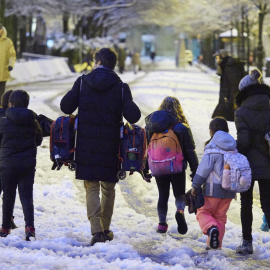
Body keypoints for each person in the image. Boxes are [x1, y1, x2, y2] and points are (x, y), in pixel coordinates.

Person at [60, 48, 141, 246]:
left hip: (86, 145)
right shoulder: (121, 87)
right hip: (111, 146)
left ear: (97, 62)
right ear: (113, 64)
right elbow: (134, 116)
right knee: (109, 188)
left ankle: (96, 231)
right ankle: (105, 228)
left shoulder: (82, 82)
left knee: (91, 187)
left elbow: (65, 107)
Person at [144, 96, 198, 234]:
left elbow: (146, 149)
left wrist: (144, 169)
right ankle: (180, 210)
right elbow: (190, 151)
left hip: (158, 167)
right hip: (177, 167)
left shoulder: (151, 127)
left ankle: (162, 224)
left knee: (163, 195)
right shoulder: (181, 127)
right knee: (179, 194)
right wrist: (195, 171)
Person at [234, 68, 270, 255]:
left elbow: (244, 142)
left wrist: (236, 151)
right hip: (268, 161)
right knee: (268, 203)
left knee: (246, 203)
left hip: (247, 165)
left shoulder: (241, 112)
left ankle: (247, 243)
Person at [0, 90, 43, 240]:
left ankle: (5, 228)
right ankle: (30, 229)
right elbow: (39, 140)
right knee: (26, 197)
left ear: (10, 104)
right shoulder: (33, 121)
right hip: (27, 164)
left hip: (7, 164)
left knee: (8, 195)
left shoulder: (3, 122)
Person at [191, 117, 237, 250]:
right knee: (220, 218)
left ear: (211, 132)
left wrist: (196, 185)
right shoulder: (234, 147)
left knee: (203, 212)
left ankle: (211, 229)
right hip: (229, 190)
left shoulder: (212, 148)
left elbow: (203, 169)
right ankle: (215, 246)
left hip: (212, 190)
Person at [212, 49, 245, 122]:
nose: (216, 60)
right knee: (218, 120)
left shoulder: (229, 67)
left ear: (222, 56)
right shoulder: (225, 66)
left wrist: (231, 101)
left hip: (229, 102)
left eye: (217, 58)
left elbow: (234, 84)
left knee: (220, 120)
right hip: (226, 100)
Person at [0, 23, 16, 98]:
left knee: (1, 94)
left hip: (3, 72)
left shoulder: (8, 42)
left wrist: (11, 65)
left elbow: (12, 55)